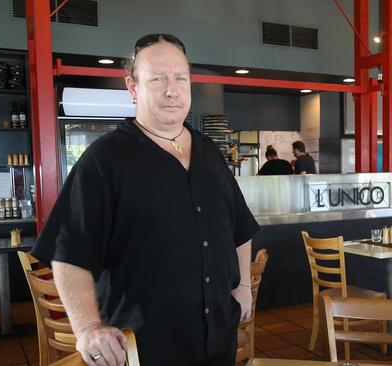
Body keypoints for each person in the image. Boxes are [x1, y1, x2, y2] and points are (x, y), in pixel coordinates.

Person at [31, 34, 259, 366]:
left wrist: (243, 286)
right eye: (158, 79)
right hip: (144, 347)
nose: (172, 89)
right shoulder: (104, 159)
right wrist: (89, 327)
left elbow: (239, 228)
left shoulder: (210, 152)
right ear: (133, 87)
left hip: (218, 341)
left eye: (181, 78)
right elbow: (69, 253)